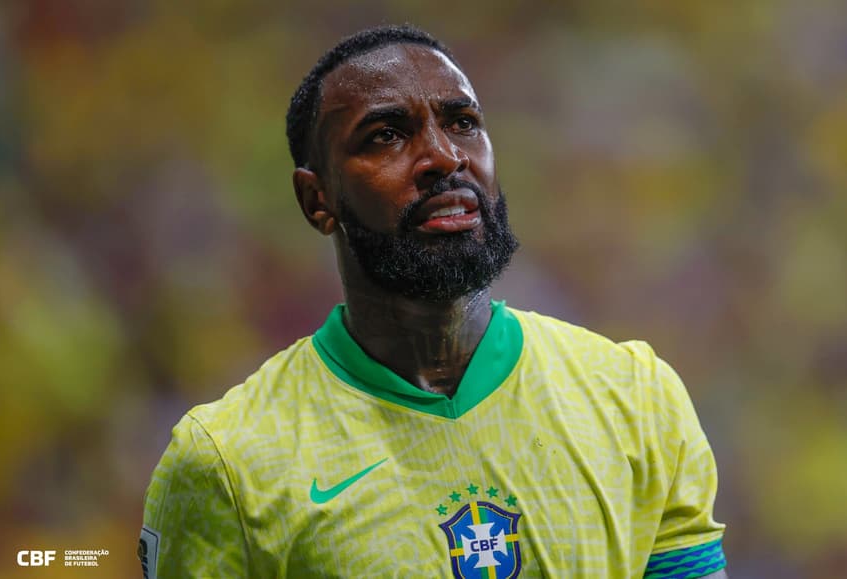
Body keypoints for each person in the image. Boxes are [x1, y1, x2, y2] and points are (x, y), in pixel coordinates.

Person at [139, 25, 728, 578]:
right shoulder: (227, 461)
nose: (445, 158)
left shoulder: (633, 397)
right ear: (316, 199)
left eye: (463, 121)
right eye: (386, 135)